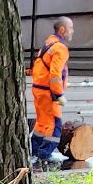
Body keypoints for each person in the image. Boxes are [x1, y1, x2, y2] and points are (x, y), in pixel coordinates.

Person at [30, 16, 73, 165]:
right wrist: (59, 94)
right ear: (62, 29)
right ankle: (45, 153)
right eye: (70, 28)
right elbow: (55, 75)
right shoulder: (60, 48)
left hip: (38, 89)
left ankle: (33, 151)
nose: (72, 31)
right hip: (49, 92)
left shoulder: (47, 45)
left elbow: (43, 70)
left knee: (41, 123)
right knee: (55, 124)